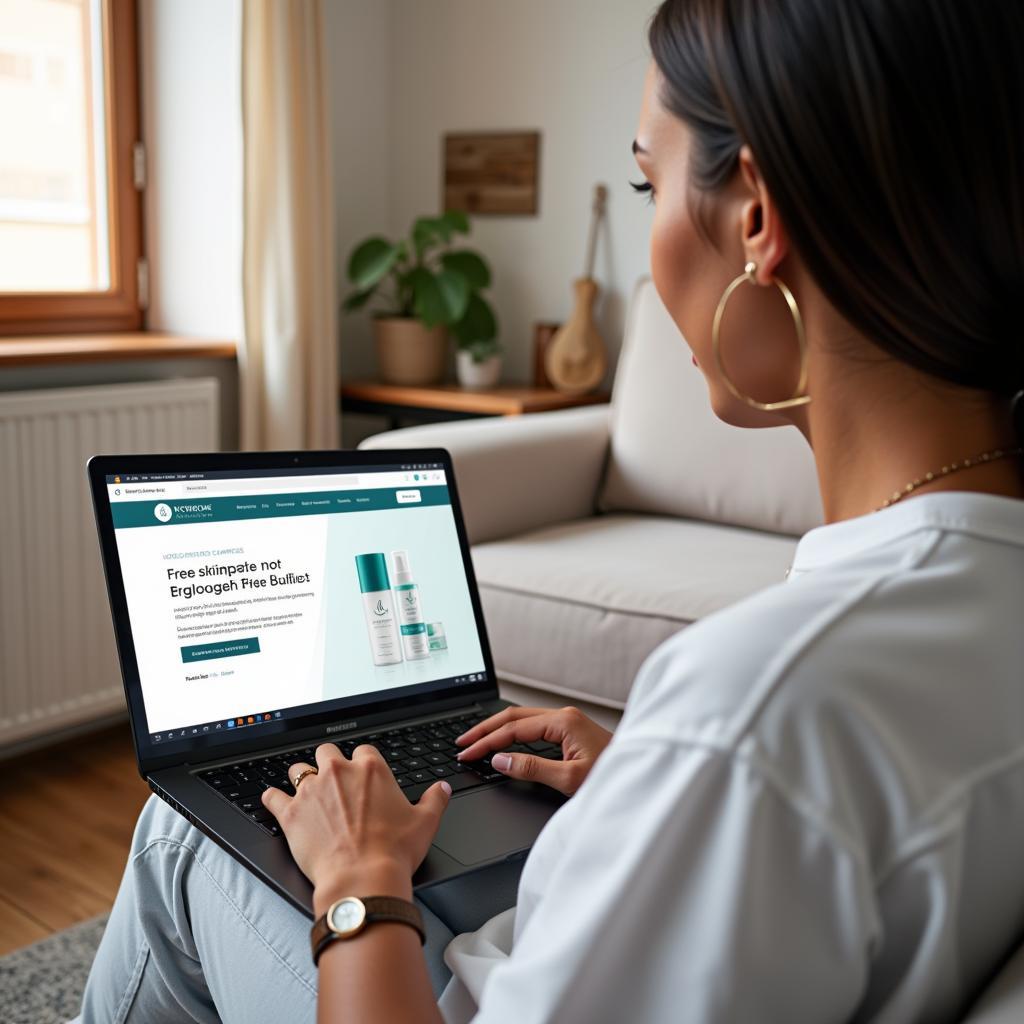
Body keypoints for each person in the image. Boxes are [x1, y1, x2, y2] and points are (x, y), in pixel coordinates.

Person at [79, 0, 1024, 1020]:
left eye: (643, 181)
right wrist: (649, 793)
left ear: (754, 217)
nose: (646, 233)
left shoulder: (753, 712)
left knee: (186, 835)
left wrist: (360, 884)